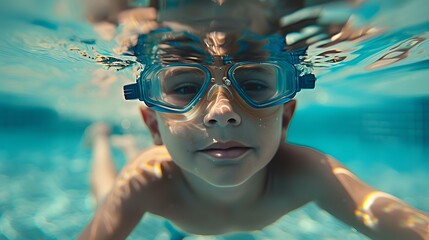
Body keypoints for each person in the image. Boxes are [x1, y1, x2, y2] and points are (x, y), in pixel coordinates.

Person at [79, 1, 429, 239]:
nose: (222, 112)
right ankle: (102, 142)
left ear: (286, 116)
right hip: (162, 195)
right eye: (185, 87)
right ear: (154, 125)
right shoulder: (145, 182)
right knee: (108, 196)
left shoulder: (307, 173)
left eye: (254, 85)